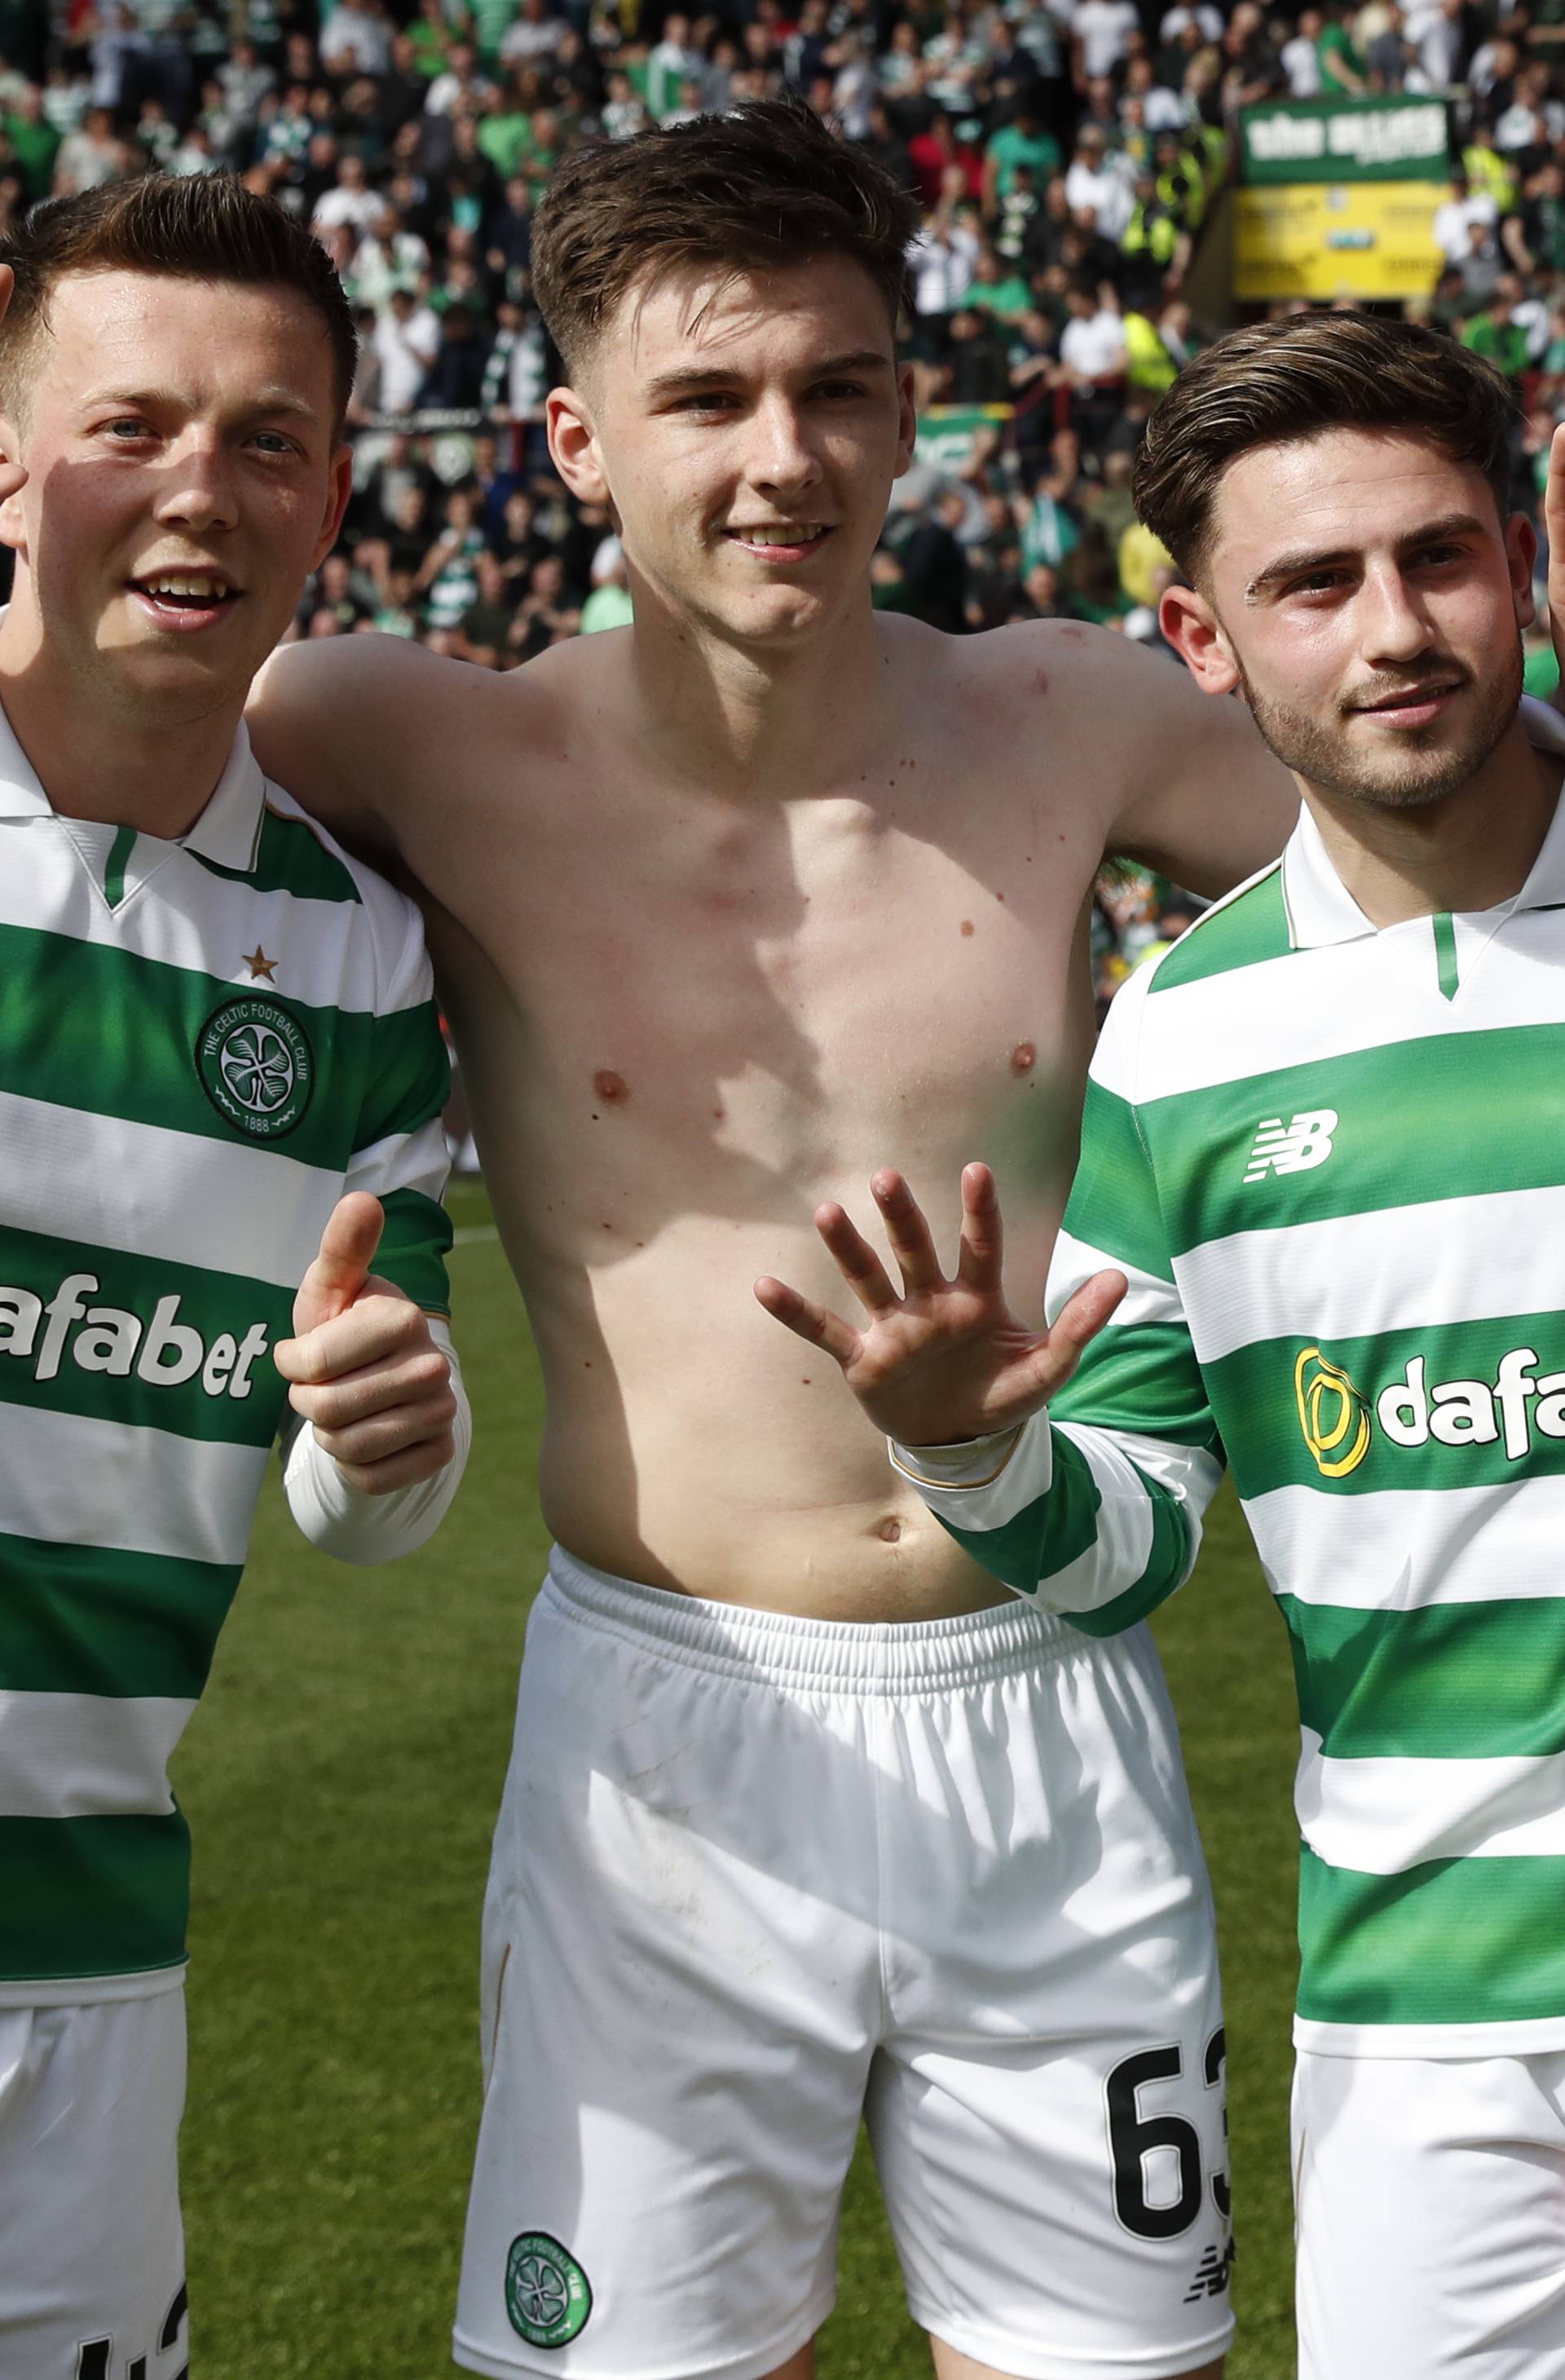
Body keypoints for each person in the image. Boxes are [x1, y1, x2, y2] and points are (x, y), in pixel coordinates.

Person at [246, 99, 1311, 2380]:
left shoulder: (1076, 715)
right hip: (670, 1720)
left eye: (837, 386)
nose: (782, 456)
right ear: (566, 437)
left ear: (911, 411)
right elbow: (84, 755)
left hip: (1045, 1698)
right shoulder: (408, 746)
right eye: (707, 397)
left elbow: (1462, 849)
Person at [760, 311, 1565, 2380]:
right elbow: (1133, 1546)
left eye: (1440, 555)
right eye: (1312, 583)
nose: (1394, 627)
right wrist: (972, 1452)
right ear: (1204, 645)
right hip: (1435, 2014)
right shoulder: (1188, 1043)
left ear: (1526, 550)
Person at [0, 176, 470, 2379]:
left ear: (335, 494)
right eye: (132, 425)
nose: (200, 490)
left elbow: (369, 1499)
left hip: (88, 1963)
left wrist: (389, 1428)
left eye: (268, 439)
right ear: (10, 455)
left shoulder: (364, 963)